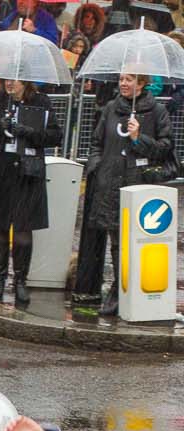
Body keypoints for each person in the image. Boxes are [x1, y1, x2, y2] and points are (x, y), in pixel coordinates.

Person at [73, 70, 173, 315]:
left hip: (138, 183)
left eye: (129, 79)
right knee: (116, 238)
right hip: (109, 183)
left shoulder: (157, 111)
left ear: (141, 83)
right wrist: (96, 165)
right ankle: (119, 288)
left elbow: (165, 147)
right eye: (121, 79)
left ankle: (127, 288)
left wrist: (140, 138)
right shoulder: (110, 108)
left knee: (134, 240)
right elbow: (97, 142)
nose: (123, 83)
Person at [0, 76, 61, 306]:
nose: (11, 84)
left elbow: (55, 136)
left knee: (23, 230)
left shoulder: (41, 102)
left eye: (16, 81)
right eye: (7, 80)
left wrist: (27, 131)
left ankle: (20, 280)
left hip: (27, 173)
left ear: (27, 82)